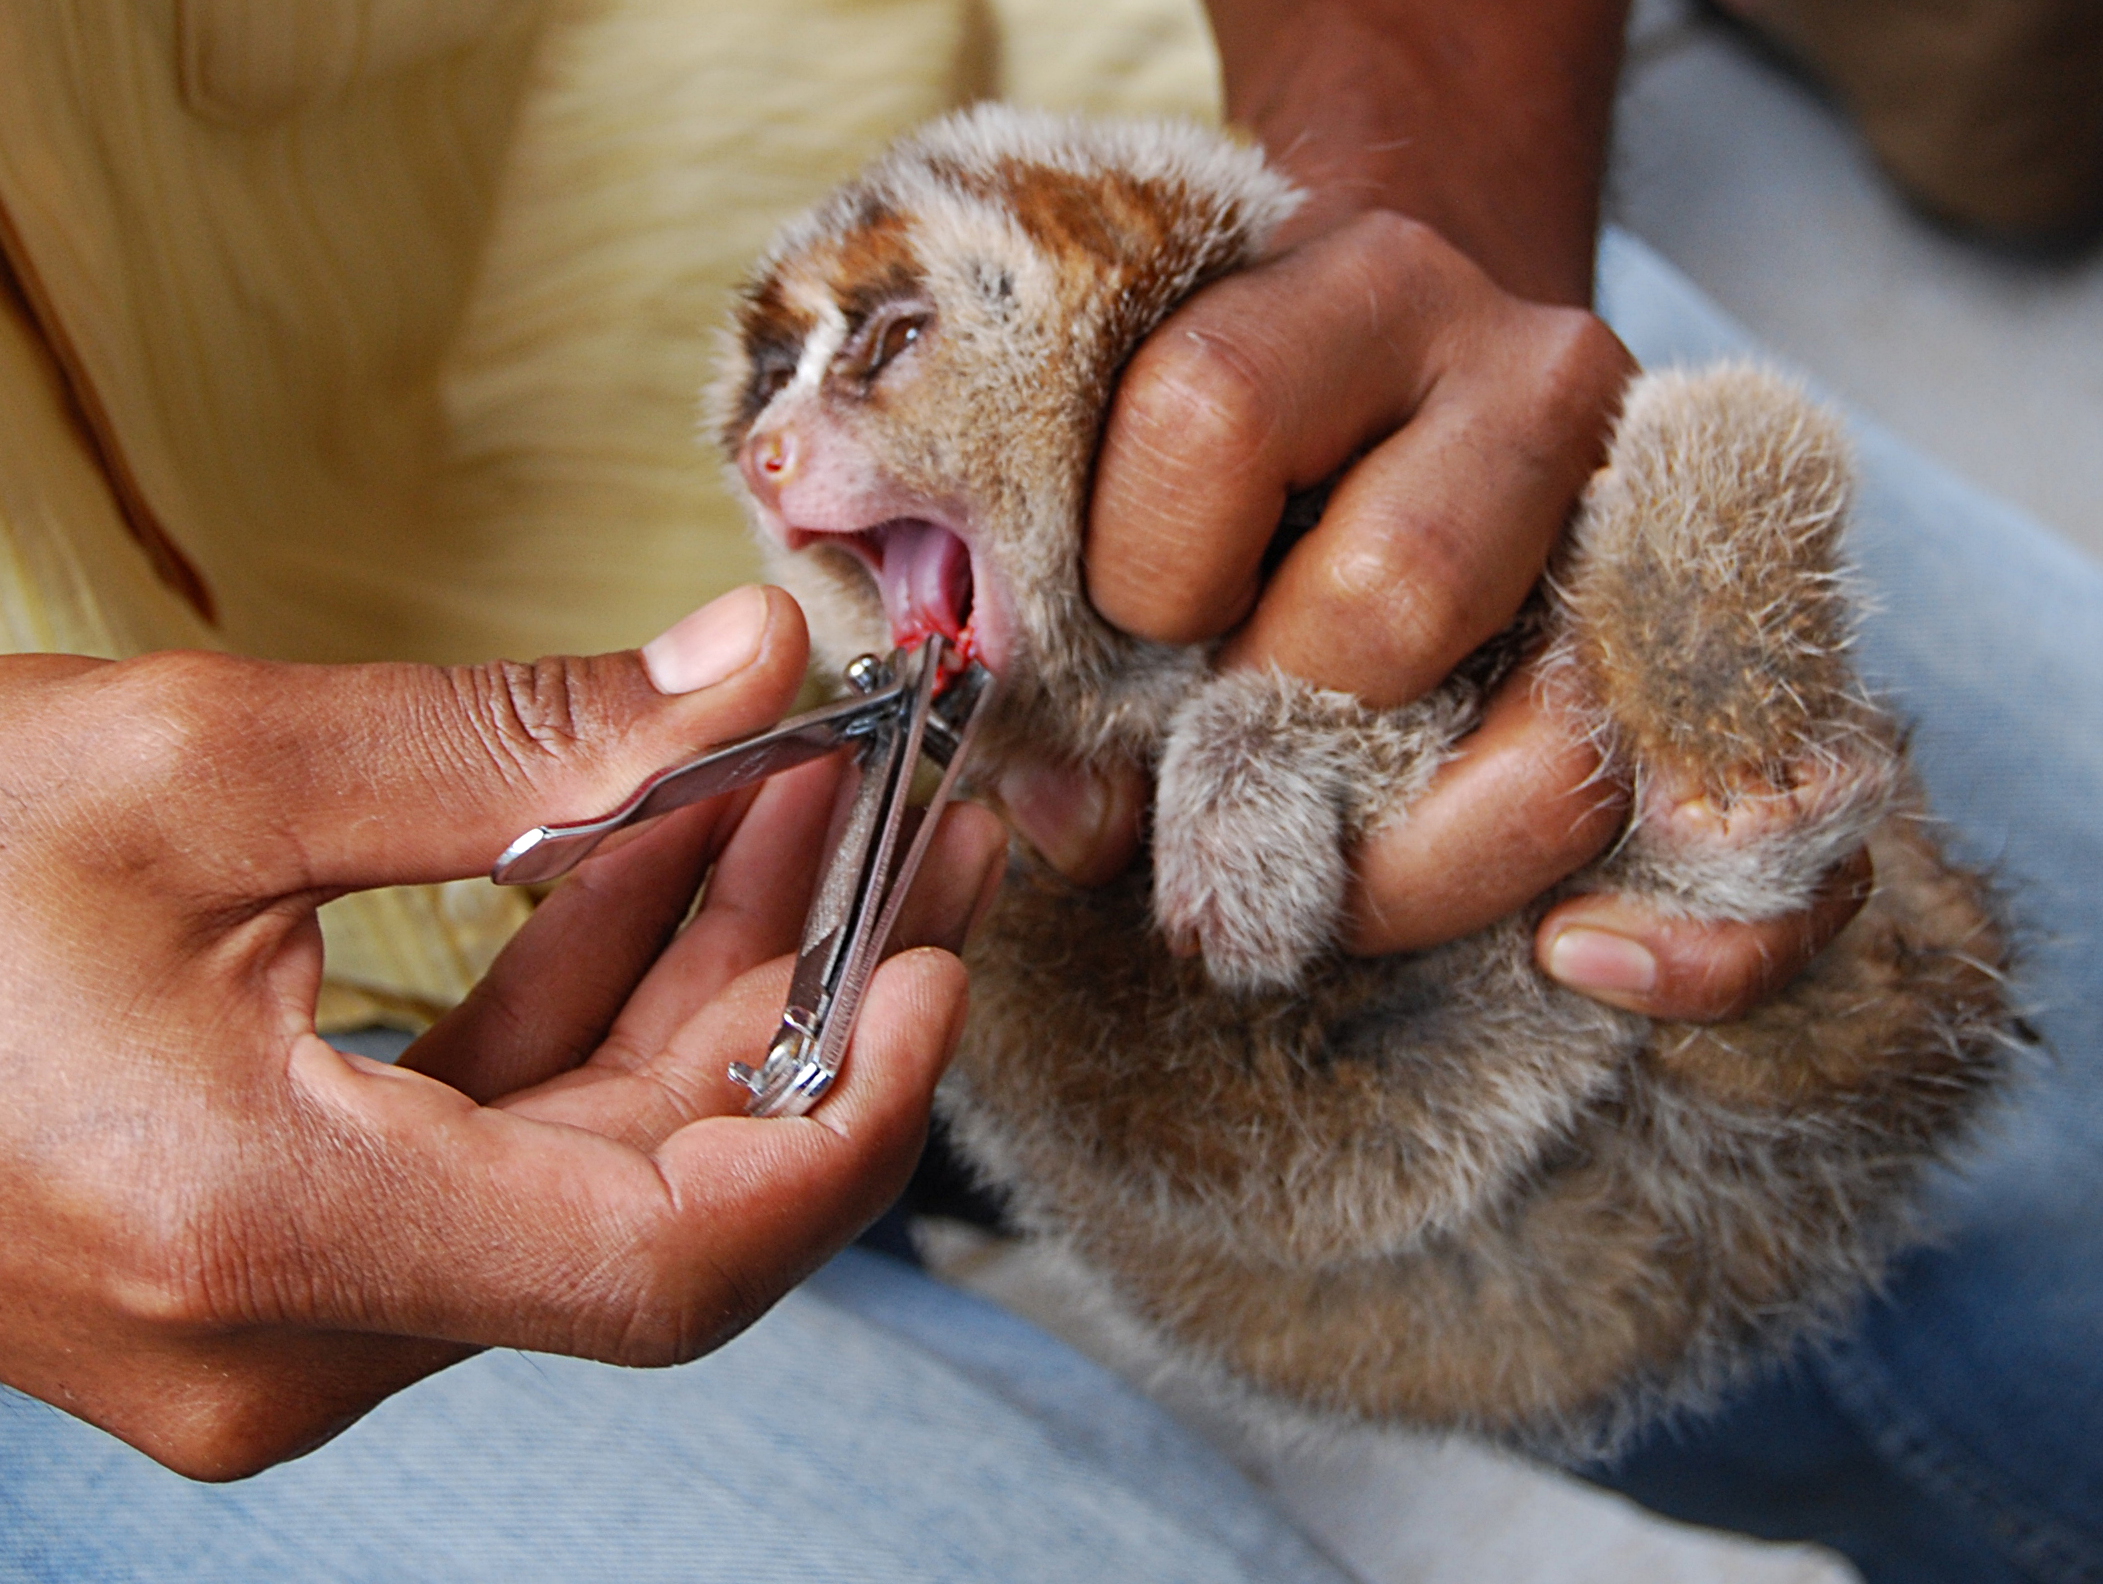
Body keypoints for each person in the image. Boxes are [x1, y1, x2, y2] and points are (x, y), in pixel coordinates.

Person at [0, 3, 2093, 1581]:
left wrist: (1424, 207)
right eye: (775, 409)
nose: (779, 457)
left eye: (864, 359)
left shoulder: (1094, 304)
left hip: (1188, 257)